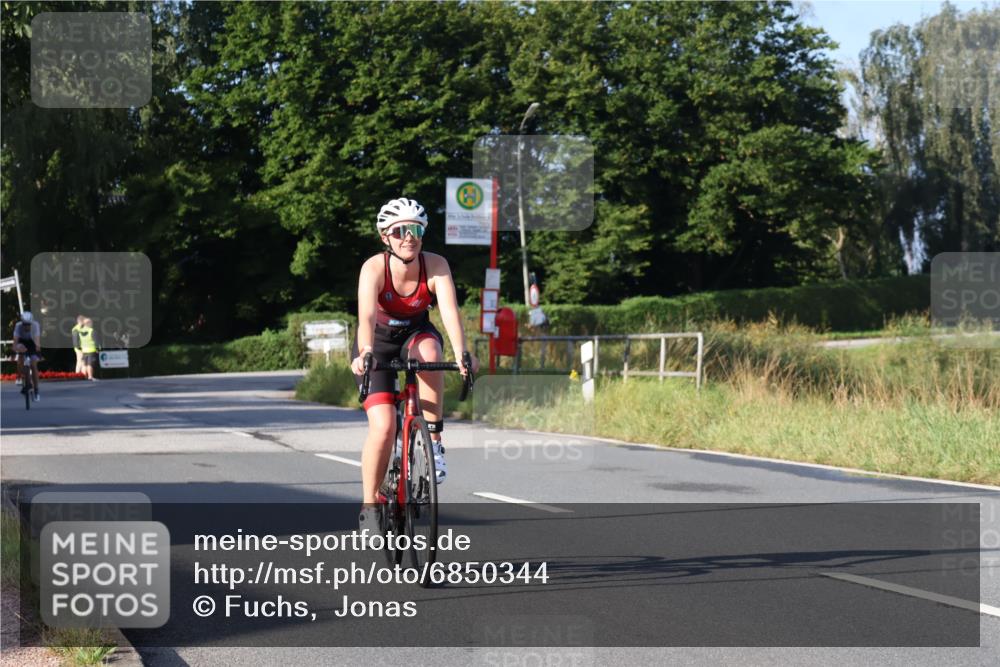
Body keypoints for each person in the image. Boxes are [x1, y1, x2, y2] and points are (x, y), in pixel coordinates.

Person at [350, 197, 478, 528]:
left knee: (431, 354)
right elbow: (365, 316)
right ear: (385, 236)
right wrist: (364, 351)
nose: (410, 237)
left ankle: (433, 443)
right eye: (400, 231)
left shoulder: (435, 264)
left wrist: (462, 353)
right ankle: (370, 506)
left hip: (415, 336)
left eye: (417, 229)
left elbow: (449, 311)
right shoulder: (374, 267)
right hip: (376, 345)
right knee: (383, 427)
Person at [12, 311, 41, 401]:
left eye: (28, 324)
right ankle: (19, 376)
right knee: (20, 356)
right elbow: (15, 342)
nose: (26, 326)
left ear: (31, 323)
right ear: (22, 323)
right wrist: (15, 350)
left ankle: (36, 391)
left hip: (32, 342)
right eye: (24, 324)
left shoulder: (35, 325)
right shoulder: (18, 326)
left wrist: (37, 352)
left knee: (33, 365)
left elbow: (37, 343)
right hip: (22, 342)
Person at [78, 317, 99, 381]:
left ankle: (84, 377)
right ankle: (90, 376)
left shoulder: (81, 331)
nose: (92, 324)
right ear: (88, 323)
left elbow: (79, 341)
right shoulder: (92, 331)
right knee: (90, 364)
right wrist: (97, 349)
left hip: (84, 350)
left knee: (84, 364)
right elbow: (96, 341)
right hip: (91, 350)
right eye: (91, 322)